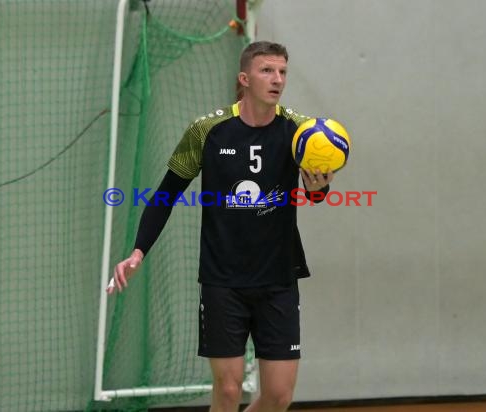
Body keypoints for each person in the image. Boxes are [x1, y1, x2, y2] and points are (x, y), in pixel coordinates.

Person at [107, 41, 334, 412]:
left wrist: (319, 188)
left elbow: (318, 193)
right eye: (267, 71)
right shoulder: (206, 130)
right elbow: (166, 193)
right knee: (227, 391)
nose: (277, 79)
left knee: (278, 395)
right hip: (222, 279)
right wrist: (137, 251)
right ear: (244, 78)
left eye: (282, 72)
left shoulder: (300, 131)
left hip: (278, 277)